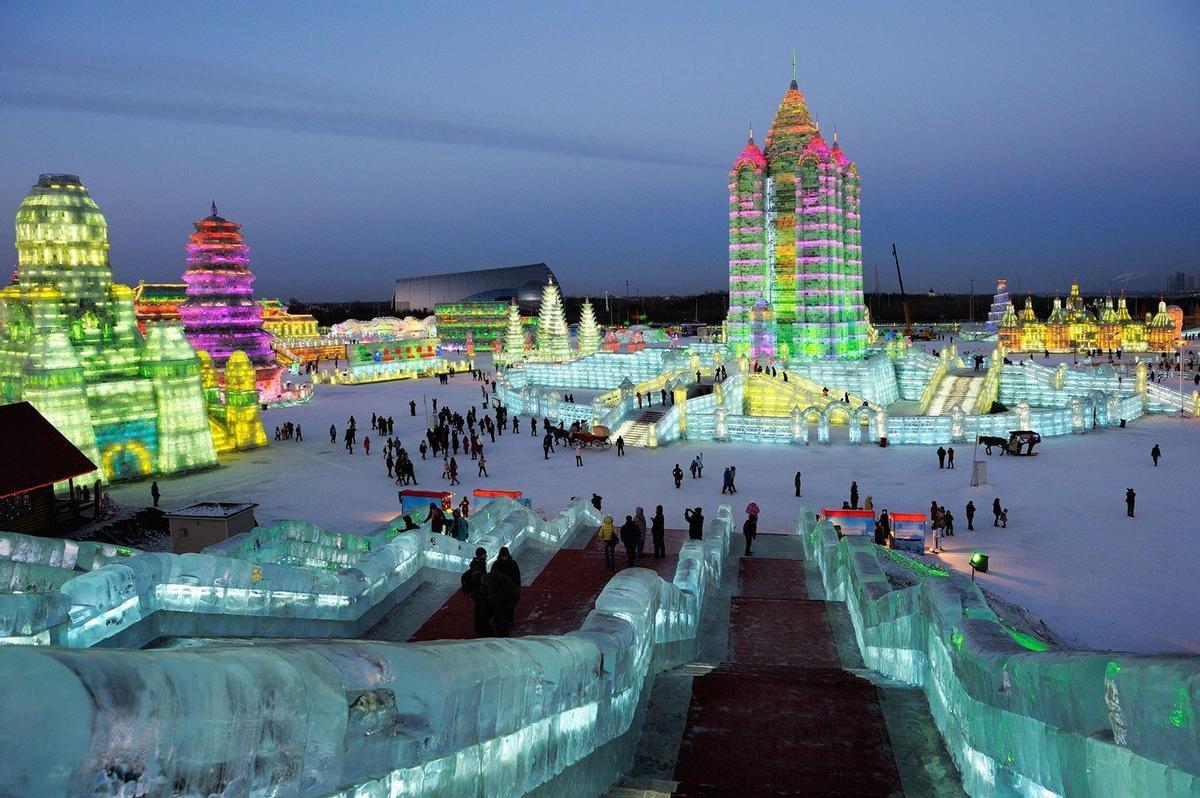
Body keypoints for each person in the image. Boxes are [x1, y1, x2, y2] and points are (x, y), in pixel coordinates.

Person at [461, 548, 491, 637]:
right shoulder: (478, 565)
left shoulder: (478, 563)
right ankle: (481, 630)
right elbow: (477, 579)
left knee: (480, 610)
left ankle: (482, 629)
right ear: (481, 555)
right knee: (480, 610)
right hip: (478, 592)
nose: (486, 556)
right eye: (485, 554)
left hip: (478, 591)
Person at [485, 565, 519, 638]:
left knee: (499, 621)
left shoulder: (488, 578)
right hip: (502, 603)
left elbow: (483, 587)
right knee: (502, 622)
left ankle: (499, 632)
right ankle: (503, 635)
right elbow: (515, 592)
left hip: (498, 603)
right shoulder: (506, 580)